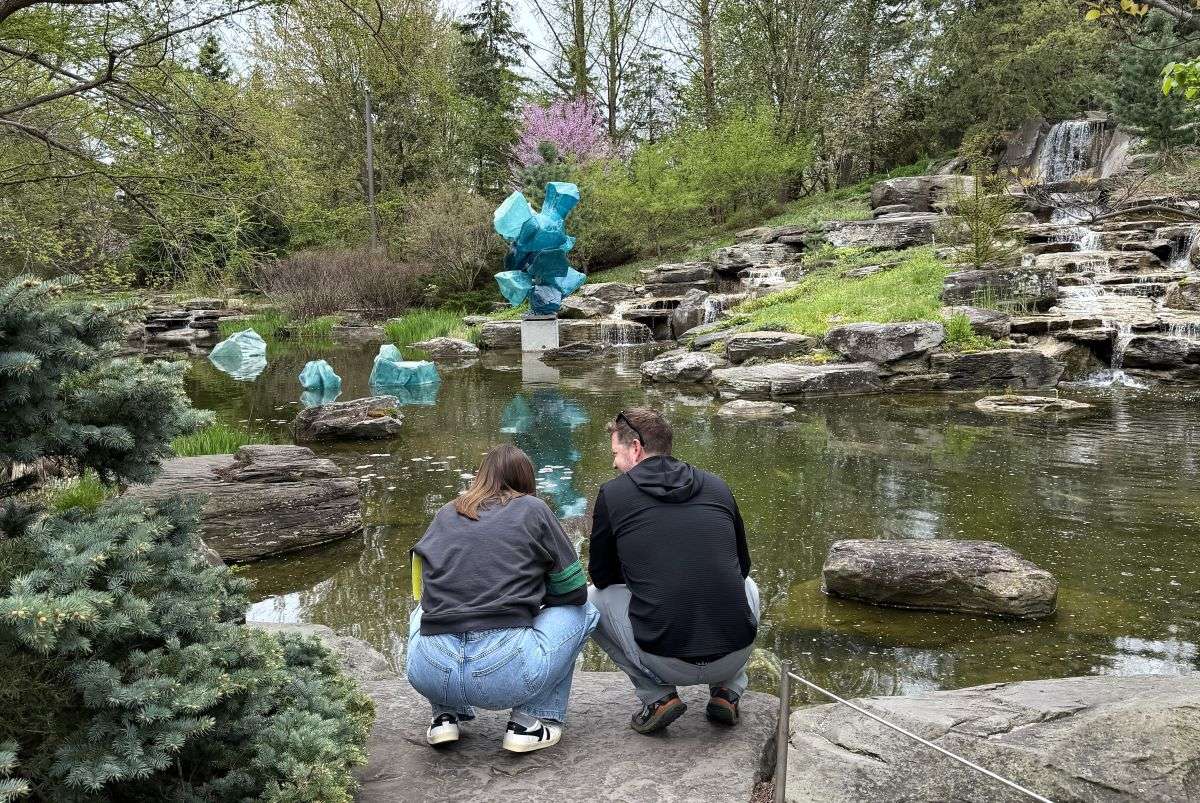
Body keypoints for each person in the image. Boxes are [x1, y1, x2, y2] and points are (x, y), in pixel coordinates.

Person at [406, 444, 599, 752]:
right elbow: (574, 591)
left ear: (482, 476)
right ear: (526, 481)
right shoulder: (534, 509)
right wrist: (531, 602)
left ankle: (444, 715)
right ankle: (529, 721)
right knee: (587, 610)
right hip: (503, 673)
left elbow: (424, 587)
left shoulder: (447, 511)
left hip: (431, 670)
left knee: (422, 609)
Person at [587, 407, 760, 734]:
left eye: (616, 453)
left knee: (590, 600)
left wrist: (646, 575)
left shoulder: (614, 494)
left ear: (635, 448)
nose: (614, 464)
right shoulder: (717, 486)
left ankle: (657, 696)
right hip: (735, 653)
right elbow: (743, 565)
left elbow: (603, 578)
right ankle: (728, 689)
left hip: (664, 660)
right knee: (748, 584)